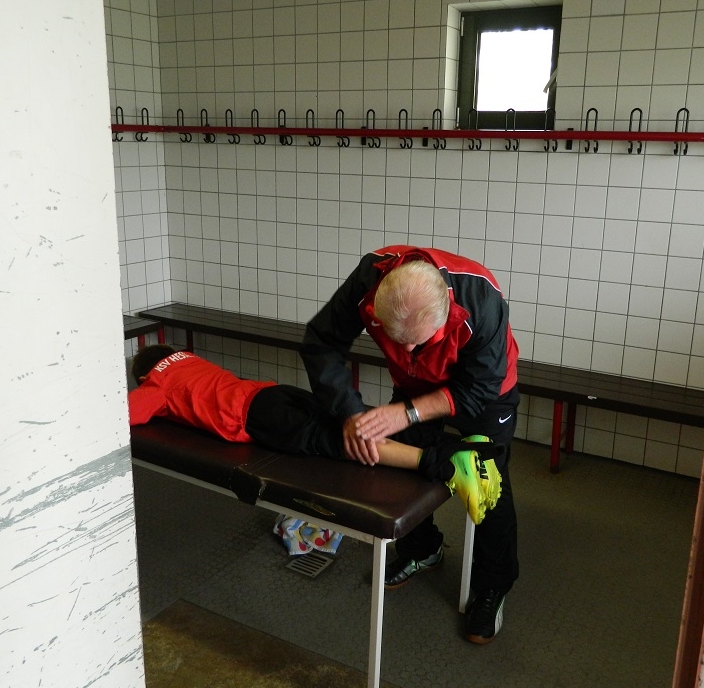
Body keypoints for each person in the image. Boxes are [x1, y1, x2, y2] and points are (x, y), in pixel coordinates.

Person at [301, 245, 520, 645]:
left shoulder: (480, 297)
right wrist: (350, 412)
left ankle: (493, 585)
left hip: (486, 392)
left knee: (488, 482)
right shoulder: (369, 278)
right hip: (416, 382)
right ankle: (423, 549)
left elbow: (478, 390)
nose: (405, 351)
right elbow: (321, 342)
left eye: (417, 343)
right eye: (395, 340)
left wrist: (407, 413)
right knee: (397, 462)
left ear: (446, 314)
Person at [127, 344, 503, 523]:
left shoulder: (156, 382)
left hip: (255, 417)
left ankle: (447, 465)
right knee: (361, 421)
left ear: (145, 374)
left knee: (343, 441)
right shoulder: (189, 359)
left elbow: (120, 419)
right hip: (273, 393)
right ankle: (459, 444)